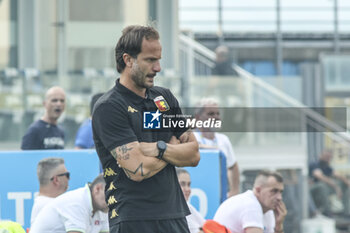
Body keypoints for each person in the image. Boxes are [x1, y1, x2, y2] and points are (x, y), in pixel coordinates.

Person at [92, 25, 200, 233]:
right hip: (133, 219)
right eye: (150, 60)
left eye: (159, 60)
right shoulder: (109, 106)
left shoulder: (164, 97)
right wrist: (171, 146)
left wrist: (158, 148)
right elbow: (137, 170)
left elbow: (194, 155)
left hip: (174, 215)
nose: (158, 67)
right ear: (128, 60)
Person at [30, 174, 109, 233]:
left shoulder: (102, 207)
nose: (115, 200)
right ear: (97, 189)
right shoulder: (77, 202)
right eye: (111, 195)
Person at [213, 170, 287, 233]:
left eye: (281, 192)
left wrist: (278, 226)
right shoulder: (251, 205)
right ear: (258, 190)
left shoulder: (267, 211)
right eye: (274, 191)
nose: (279, 198)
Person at [194, 98, 240, 197]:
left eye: (218, 114)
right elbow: (194, 146)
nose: (216, 117)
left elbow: (233, 165)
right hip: (198, 192)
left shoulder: (223, 139)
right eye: (211, 114)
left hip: (220, 192)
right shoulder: (192, 137)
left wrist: (234, 191)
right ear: (198, 117)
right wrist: (213, 149)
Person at [309, 150, 350, 216]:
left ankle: (346, 212)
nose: (327, 159)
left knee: (343, 184)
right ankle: (327, 211)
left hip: (326, 188)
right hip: (313, 189)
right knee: (322, 186)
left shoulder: (327, 167)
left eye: (329, 157)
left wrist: (347, 182)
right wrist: (336, 187)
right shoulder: (315, 164)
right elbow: (319, 176)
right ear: (321, 155)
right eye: (326, 156)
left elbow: (338, 175)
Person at [30, 157, 70, 225]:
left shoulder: (42, 204)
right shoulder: (52, 207)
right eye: (67, 175)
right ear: (56, 180)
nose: (69, 179)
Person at [176, 168, 205, 233]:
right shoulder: (175, 209)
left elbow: (206, 225)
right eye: (182, 184)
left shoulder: (188, 206)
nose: (187, 189)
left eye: (189, 184)